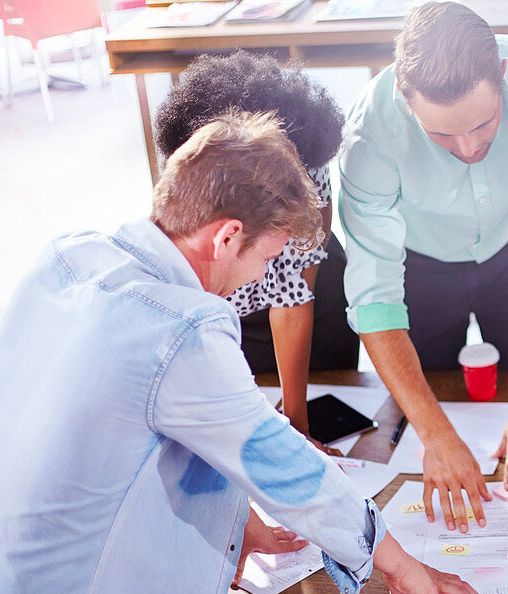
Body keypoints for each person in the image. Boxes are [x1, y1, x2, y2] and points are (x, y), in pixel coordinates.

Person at [0, 112, 485, 594]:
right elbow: (280, 460)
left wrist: (237, 518)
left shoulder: (66, 257)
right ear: (226, 238)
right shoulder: (181, 329)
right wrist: (397, 559)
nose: (259, 280)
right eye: (266, 258)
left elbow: (112, 431)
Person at [339, 1, 508, 534]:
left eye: (484, 123)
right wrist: (435, 434)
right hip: (421, 265)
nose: (470, 147)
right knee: (420, 410)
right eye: (443, 136)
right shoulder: (369, 133)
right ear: (406, 102)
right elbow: (374, 294)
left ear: (501, 74)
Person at [154, 50, 360, 452]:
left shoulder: (306, 163)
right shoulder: (196, 168)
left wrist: (296, 427)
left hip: (309, 308)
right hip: (228, 309)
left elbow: (291, 300)